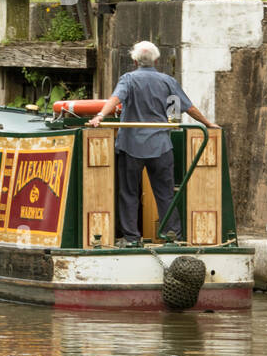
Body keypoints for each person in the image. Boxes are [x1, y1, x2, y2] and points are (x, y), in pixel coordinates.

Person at [86, 41, 219, 246]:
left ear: (134, 60)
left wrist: (100, 116)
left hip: (131, 146)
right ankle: (172, 235)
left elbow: (115, 98)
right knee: (165, 194)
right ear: (156, 60)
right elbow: (183, 110)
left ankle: (131, 239)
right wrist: (208, 123)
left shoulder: (128, 79)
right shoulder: (168, 81)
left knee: (129, 193)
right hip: (161, 146)